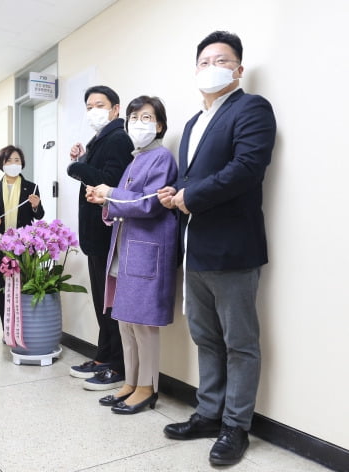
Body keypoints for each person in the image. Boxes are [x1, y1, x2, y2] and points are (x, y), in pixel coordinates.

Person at [158, 31, 276, 466]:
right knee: (205, 338)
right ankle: (208, 413)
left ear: (239, 69)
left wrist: (192, 197)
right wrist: (178, 191)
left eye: (221, 59)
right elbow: (195, 178)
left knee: (240, 342)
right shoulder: (192, 123)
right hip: (195, 249)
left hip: (234, 249)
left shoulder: (252, 109)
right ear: (196, 70)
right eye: (205, 61)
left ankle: (235, 426)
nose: (212, 67)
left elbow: (247, 168)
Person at [86, 96, 177, 414]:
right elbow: (125, 202)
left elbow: (150, 203)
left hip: (146, 250)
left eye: (146, 117)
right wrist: (103, 199)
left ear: (159, 125)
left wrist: (110, 192)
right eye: (134, 117)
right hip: (124, 249)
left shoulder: (162, 158)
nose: (139, 123)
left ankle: (147, 387)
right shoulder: (134, 160)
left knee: (143, 324)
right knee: (125, 321)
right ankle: (130, 382)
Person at [67, 85, 134, 390]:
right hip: (95, 234)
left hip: (108, 232)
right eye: (90, 106)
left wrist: (77, 167)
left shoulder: (119, 138)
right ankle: (103, 355)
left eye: (100, 105)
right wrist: (84, 157)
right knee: (101, 303)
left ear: (116, 109)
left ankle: (116, 364)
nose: (94, 110)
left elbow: (111, 183)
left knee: (110, 304)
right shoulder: (100, 139)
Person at [0, 145, 44, 329]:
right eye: (9, 160)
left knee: (24, 285)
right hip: (1, 247)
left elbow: (39, 215)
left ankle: (24, 329)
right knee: (3, 289)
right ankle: (7, 330)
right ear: (2, 164)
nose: (13, 163)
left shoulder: (32, 187)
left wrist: (36, 206)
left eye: (17, 160)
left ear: (22, 163)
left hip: (24, 247)